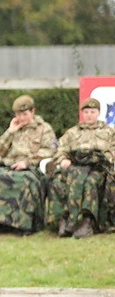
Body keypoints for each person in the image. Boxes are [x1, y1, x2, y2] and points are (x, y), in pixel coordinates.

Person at [0, 94, 57, 236]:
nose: (21, 118)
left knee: (25, 182)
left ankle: (23, 224)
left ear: (33, 111)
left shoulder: (44, 129)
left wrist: (27, 162)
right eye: (18, 115)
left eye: (25, 114)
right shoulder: (14, 129)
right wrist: (10, 132)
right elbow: (0, 151)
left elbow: (50, 150)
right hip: (8, 166)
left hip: (31, 168)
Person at [46, 97, 114, 238]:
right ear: (82, 113)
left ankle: (87, 222)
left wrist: (104, 158)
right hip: (74, 167)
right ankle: (63, 220)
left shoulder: (109, 132)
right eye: (86, 112)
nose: (89, 115)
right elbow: (60, 149)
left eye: (92, 112)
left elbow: (113, 150)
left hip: (98, 169)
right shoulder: (72, 132)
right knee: (57, 181)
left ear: (98, 113)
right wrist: (63, 159)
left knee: (90, 182)